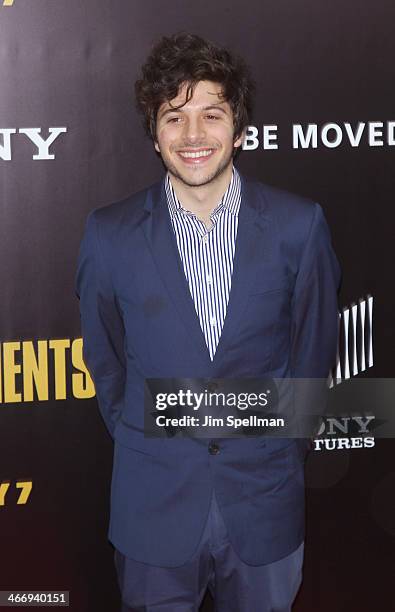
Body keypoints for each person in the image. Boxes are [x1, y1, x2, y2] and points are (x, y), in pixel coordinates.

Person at [75, 32, 341, 612]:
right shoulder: (109, 234)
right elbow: (105, 354)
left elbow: (313, 354)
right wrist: (135, 433)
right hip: (153, 506)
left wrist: (282, 449)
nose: (193, 135)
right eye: (174, 117)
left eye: (211, 114)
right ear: (154, 134)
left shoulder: (300, 226)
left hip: (264, 503)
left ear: (239, 129)